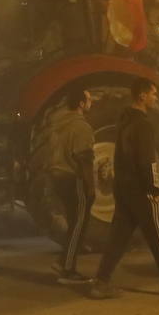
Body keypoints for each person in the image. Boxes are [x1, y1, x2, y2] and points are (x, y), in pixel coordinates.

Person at [88, 78, 159, 298]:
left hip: (124, 190)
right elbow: (148, 160)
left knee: (118, 238)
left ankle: (101, 283)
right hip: (142, 190)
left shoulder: (124, 122)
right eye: (153, 94)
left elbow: (121, 158)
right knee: (158, 236)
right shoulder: (144, 125)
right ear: (142, 95)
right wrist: (155, 188)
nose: (155, 98)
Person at [43, 86, 97, 284]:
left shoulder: (59, 124)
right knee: (79, 224)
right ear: (81, 104)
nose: (91, 102)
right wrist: (90, 187)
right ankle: (67, 268)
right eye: (89, 99)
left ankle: (64, 262)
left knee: (74, 222)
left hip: (57, 176)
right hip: (73, 178)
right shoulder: (81, 126)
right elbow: (84, 159)